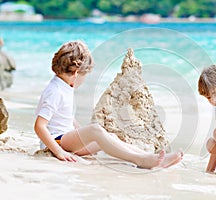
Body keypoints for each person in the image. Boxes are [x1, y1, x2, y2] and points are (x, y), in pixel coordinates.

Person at [34, 40, 182, 169]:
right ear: (77, 73)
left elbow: (67, 118)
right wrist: (59, 151)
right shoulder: (55, 91)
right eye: (85, 76)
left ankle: (149, 157)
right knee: (96, 130)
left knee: (109, 136)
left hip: (67, 141)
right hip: (57, 141)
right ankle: (141, 160)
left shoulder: (65, 86)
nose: (83, 81)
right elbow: (39, 126)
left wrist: (83, 134)